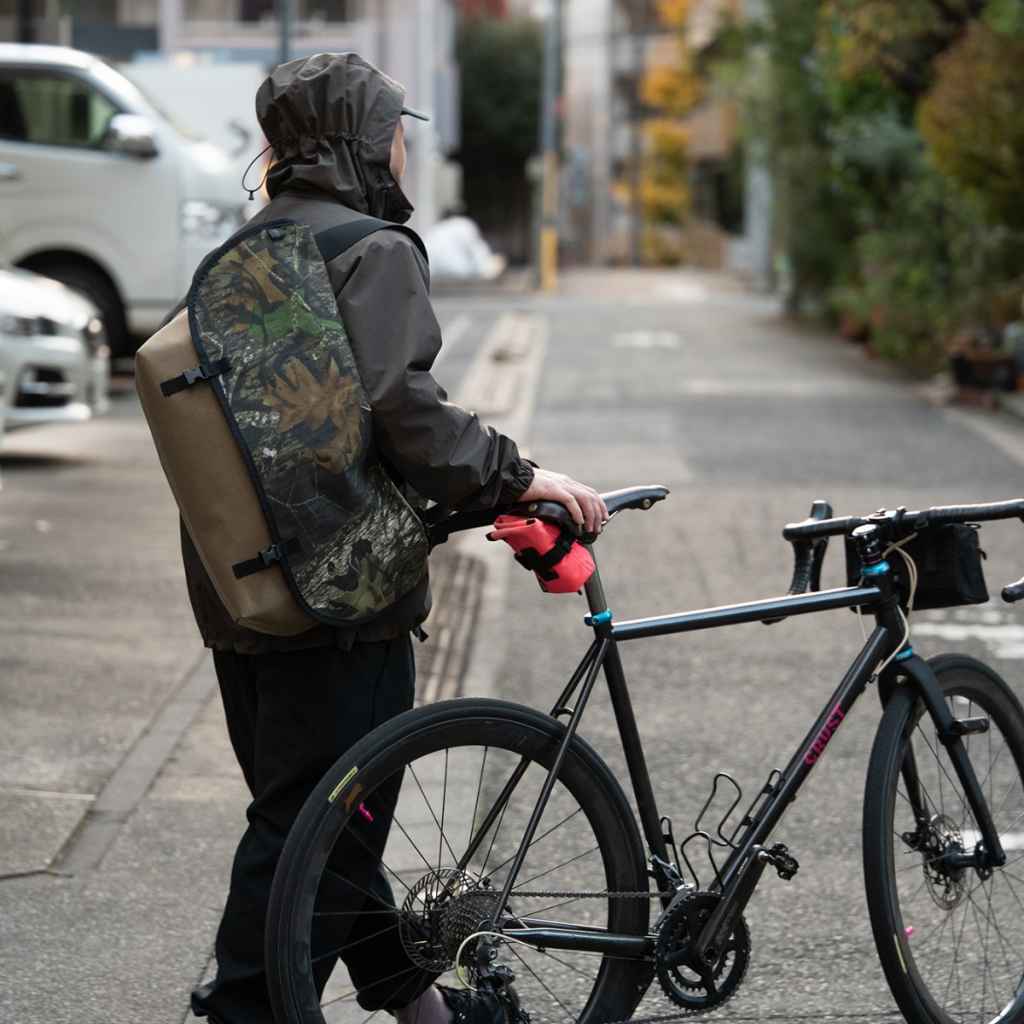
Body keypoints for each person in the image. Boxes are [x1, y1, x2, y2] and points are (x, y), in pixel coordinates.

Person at [184, 52, 608, 1024]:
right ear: (366, 141)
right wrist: (522, 476)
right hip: (344, 598)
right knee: (315, 821)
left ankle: (419, 1007)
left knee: (323, 822)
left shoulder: (243, 250)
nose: (402, 143)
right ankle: (240, 1009)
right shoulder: (371, 247)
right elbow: (404, 412)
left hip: (241, 589)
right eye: (393, 127)